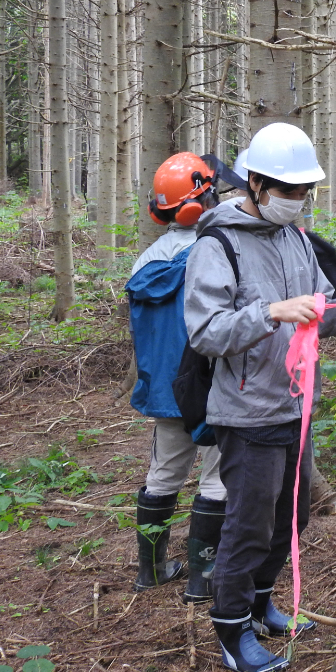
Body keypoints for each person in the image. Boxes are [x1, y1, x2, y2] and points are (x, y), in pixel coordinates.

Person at [183, 123, 336, 672]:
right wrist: (271, 312)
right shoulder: (217, 243)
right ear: (255, 183)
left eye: (304, 192)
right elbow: (205, 331)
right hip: (247, 414)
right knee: (247, 524)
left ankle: (262, 603)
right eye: (287, 191)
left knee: (289, 518)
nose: (296, 202)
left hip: (296, 407)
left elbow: (324, 298)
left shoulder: (297, 239)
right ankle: (231, 629)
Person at [125, 152, 227, 600]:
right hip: (211, 385)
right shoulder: (216, 254)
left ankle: (152, 571)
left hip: (165, 390)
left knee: (163, 473)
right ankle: (203, 579)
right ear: (202, 199)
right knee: (217, 478)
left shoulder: (144, 262)